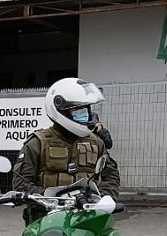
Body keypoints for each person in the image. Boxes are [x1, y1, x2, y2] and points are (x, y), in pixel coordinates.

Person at [12, 78, 121, 222]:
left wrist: (105, 197)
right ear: (60, 110)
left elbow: (111, 174)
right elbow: (21, 183)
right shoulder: (37, 143)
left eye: (87, 108)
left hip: (87, 216)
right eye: (78, 109)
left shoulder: (96, 142)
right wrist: (51, 198)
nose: (86, 113)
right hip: (45, 219)